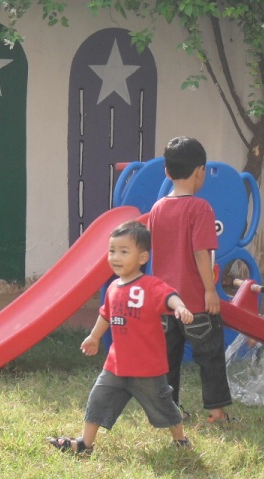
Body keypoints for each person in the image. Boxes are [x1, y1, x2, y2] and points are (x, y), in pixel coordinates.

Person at [48, 221, 194, 454]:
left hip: (147, 368)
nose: (116, 257)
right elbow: (106, 315)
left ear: (143, 258)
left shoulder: (150, 285)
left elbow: (169, 296)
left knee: (164, 405)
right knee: (98, 399)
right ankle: (85, 444)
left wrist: (180, 307)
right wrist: (94, 337)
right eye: (112, 251)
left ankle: (180, 440)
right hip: (116, 365)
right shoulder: (113, 287)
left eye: (124, 252)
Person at [147, 136, 235, 424]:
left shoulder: (158, 207)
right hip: (195, 301)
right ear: (201, 171)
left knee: (166, 361)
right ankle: (216, 413)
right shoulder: (200, 209)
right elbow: (201, 252)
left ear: (167, 173)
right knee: (209, 356)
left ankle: (168, 410)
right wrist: (210, 291)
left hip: (164, 303)